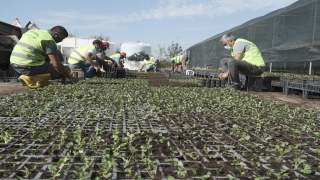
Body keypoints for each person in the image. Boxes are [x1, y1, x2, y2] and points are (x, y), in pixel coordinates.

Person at [10, 25, 78, 89]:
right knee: (61, 71)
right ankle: (29, 78)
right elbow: (57, 65)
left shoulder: (35, 32)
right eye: (61, 39)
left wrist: (59, 56)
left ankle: (42, 81)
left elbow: (51, 49)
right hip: (27, 66)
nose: (61, 41)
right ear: (55, 34)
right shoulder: (49, 41)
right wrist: (69, 77)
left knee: (48, 58)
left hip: (15, 64)